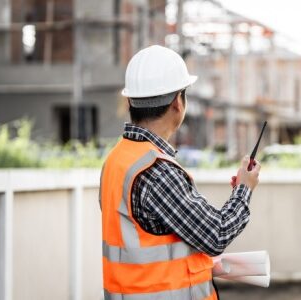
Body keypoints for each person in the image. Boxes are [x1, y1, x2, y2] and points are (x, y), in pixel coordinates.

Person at [100, 45, 260, 299]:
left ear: (130, 100)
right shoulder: (157, 172)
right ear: (177, 101)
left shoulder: (117, 159)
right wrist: (244, 189)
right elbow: (215, 234)